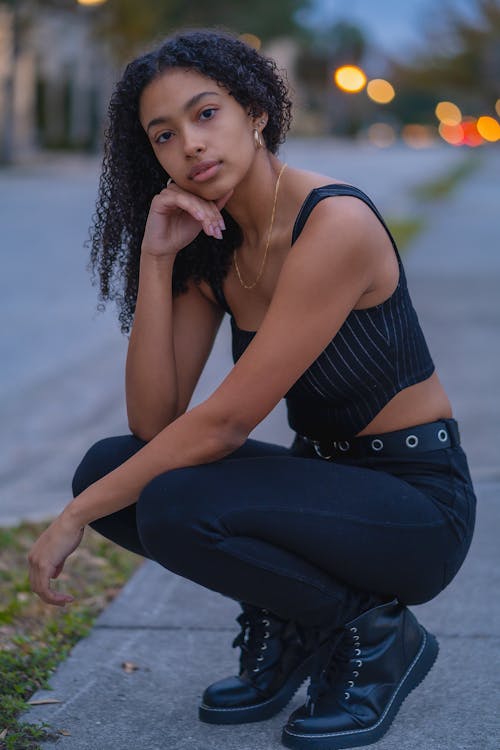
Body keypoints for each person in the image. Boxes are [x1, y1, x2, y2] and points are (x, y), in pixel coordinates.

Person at [28, 29, 476, 750]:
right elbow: (156, 419)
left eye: (207, 114)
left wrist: (72, 518)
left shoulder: (335, 224)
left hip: (417, 507)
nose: (192, 145)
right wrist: (156, 257)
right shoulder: (214, 248)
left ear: (256, 112)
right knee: (113, 467)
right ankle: (296, 618)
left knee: (167, 499)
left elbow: (224, 425)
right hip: (324, 489)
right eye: (165, 135)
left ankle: (374, 634)